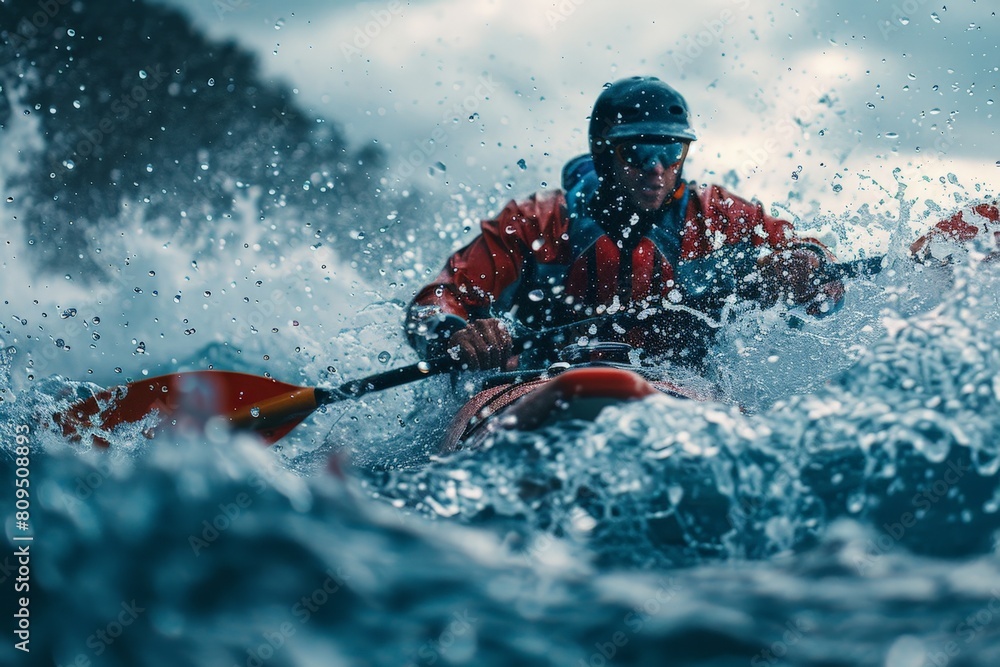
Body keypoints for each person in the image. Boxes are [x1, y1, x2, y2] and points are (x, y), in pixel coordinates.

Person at [405, 76, 849, 371]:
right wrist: (455, 334)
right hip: (539, 384)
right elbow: (435, 302)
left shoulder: (715, 215)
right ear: (604, 155)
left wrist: (805, 264)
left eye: (671, 151)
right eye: (638, 152)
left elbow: (816, 263)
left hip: (676, 386)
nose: (657, 168)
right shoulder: (534, 223)